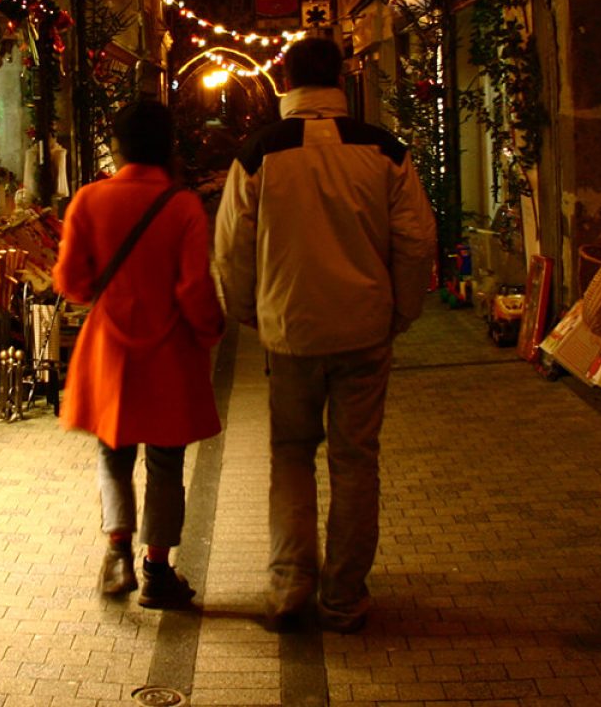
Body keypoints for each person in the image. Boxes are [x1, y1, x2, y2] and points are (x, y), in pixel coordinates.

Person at [213, 36, 437, 633]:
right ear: (340, 77)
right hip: (365, 328)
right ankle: (343, 596)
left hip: (291, 331)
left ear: (284, 79)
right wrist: (401, 311)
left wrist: (249, 312)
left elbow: (231, 246)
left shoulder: (258, 154)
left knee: (290, 455)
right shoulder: (386, 151)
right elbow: (416, 241)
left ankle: (290, 587)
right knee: (356, 460)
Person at [55, 100, 225, 609]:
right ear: (166, 144)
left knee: (113, 455)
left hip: (110, 353)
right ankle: (157, 569)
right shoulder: (182, 206)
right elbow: (195, 288)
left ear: (118, 145)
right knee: (167, 463)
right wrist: (210, 330)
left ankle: (116, 551)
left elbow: (71, 282)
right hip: (169, 353)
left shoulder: (89, 200)